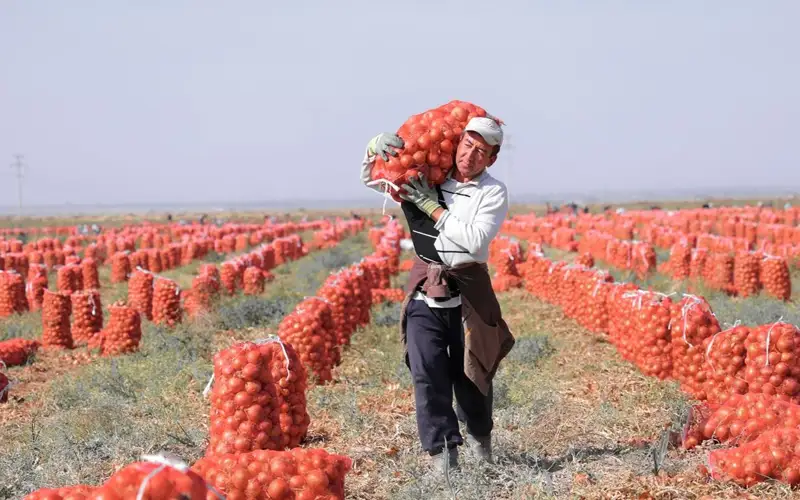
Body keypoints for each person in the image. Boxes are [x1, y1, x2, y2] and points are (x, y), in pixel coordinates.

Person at [360, 116, 515, 473]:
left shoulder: (492, 191)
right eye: (467, 145)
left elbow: (475, 240)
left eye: (481, 151)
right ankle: (443, 458)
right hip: (425, 289)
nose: (470, 156)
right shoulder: (431, 176)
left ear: (491, 158)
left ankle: (481, 442)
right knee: (427, 372)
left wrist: (434, 209)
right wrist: (372, 149)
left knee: (472, 375)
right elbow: (373, 179)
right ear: (457, 143)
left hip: (469, 293)